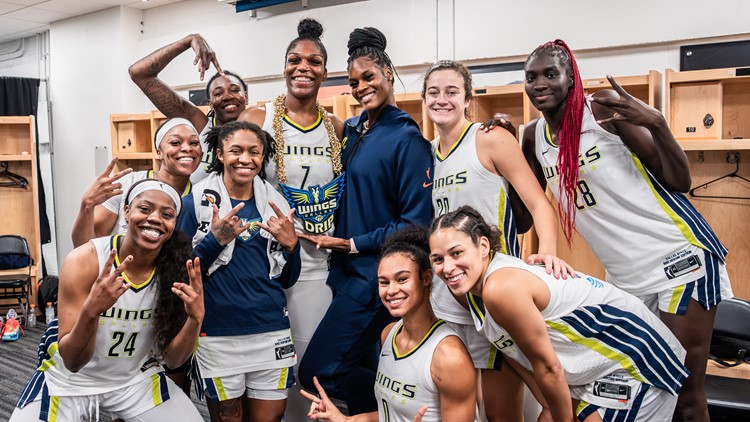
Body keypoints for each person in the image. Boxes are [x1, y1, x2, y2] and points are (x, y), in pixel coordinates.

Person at [520, 39, 732, 421]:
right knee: (640, 388)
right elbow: (523, 217)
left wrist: (657, 123)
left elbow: (679, 179)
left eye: (551, 73)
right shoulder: (533, 138)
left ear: (571, 78)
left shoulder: (600, 110)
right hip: (625, 277)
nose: (540, 83)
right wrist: (500, 147)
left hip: (679, 259)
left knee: (683, 391)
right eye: (531, 76)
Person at [429, 206, 689, 422]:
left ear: (483, 246)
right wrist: (549, 406)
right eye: (438, 259)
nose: (448, 268)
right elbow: (515, 355)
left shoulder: (500, 287)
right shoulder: (470, 289)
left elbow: (549, 367)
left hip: (636, 358)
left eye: (456, 253)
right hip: (598, 368)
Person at [422, 59, 572, 421]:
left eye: (452, 92)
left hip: (494, 296)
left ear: (468, 98)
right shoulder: (429, 153)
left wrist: (546, 256)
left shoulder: (489, 138)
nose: (442, 99)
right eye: (433, 92)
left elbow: (540, 204)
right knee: (458, 410)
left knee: (502, 413)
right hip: (448, 298)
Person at [297, 26, 434, 415]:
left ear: (389, 73)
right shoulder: (356, 129)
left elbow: (416, 225)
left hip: (373, 279)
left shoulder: (407, 139)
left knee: (315, 373)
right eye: (353, 82)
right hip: (344, 274)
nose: (360, 88)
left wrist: (351, 243)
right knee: (364, 365)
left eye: (368, 77)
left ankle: (409, 397)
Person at [11, 180, 204, 421]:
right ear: (126, 211)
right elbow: (72, 361)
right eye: (144, 209)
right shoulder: (85, 260)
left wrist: (196, 319)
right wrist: (92, 310)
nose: (155, 218)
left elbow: (174, 360)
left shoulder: (178, 269)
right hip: (69, 381)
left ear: (173, 224)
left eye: (167, 214)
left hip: (134, 380)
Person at [236, 18, 345, 421]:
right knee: (262, 366)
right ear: (283, 67)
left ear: (324, 72)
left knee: (308, 365)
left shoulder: (335, 128)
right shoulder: (260, 118)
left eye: (313, 62)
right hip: (266, 263)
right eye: (294, 60)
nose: (303, 68)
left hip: (318, 265)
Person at [178, 120, 301, 422]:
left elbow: (287, 278)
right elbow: (180, 274)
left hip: (270, 329)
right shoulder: (194, 203)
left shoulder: (276, 204)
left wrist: (292, 247)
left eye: (254, 152)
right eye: (236, 150)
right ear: (220, 155)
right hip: (218, 333)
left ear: (263, 158)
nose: (245, 159)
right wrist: (215, 241)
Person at [301, 227, 476, 422]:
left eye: (402, 279)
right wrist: (345, 419)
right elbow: (388, 413)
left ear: (426, 278)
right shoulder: (389, 334)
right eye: (384, 282)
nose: (391, 290)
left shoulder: (449, 356)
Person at [129, 34, 248, 182]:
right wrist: (188, 41)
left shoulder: (263, 126)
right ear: (210, 102)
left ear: (246, 97)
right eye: (218, 93)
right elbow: (139, 73)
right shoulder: (199, 127)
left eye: (235, 90)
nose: (228, 96)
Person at [71, 118, 201, 248]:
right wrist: (87, 205)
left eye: (194, 142)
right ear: (159, 152)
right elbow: (84, 246)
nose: (186, 148)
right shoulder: (127, 184)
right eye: (175, 142)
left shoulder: (199, 197)